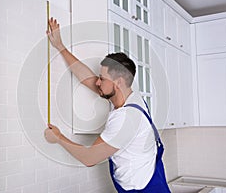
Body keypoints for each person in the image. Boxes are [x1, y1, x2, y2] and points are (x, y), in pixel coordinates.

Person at [44, 18, 171, 192]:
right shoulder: (131, 98)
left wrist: (58, 138)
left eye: (102, 78)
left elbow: (89, 158)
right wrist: (60, 46)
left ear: (118, 82)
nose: (97, 82)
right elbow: (87, 79)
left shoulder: (125, 120)